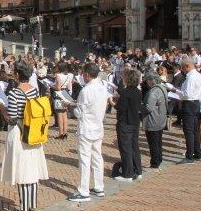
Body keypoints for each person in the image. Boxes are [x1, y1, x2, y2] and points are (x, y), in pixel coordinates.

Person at [0, 60, 49, 211]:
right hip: (33, 132)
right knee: (32, 171)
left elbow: (12, 119)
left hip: (20, 134)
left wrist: (2, 109)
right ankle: (31, 209)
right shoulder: (34, 90)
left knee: (22, 171)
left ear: (17, 74)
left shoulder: (15, 93)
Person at [68, 63, 110, 202]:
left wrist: (70, 107)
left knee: (85, 159)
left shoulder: (86, 90)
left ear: (87, 74)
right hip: (97, 125)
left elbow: (79, 112)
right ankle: (99, 186)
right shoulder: (103, 87)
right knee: (97, 156)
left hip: (87, 127)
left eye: (83, 74)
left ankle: (83, 191)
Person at [172, 57, 201, 164]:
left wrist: (175, 91)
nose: (182, 70)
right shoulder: (199, 75)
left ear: (187, 66)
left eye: (182, 67)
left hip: (189, 103)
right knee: (195, 130)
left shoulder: (191, 77)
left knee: (189, 130)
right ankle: (198, 153)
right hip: (196, 103)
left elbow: (187, 94)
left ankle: (189, 156)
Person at [113, 69, 143, 181]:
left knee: (125, 148)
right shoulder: (138, 91)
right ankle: (138, 171)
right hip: (135, 122)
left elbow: (120, 107)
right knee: (134, 146)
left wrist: (112, 102)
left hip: (125, 122)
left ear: (128, 79)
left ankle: (128, 174)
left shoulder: (125, 92)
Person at [142, 70, 168, 169]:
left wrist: (139, 107)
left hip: (153, 120)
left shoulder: (153, 91)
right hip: (160, 118)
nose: (147, 83)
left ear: (151, 80)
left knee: (153, 142)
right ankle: (159, 159)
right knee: (158, 142)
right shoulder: (162, 88)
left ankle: (155, 162)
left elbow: (148, 107)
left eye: (147, 80)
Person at [53, 62, 73, 140]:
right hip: (65, 93)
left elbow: (58, 88)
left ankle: (60, 133)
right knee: (64, 114)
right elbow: (68, 85)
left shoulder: (58, 75)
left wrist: (52, 86)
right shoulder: (68, 75)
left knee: (59, 114)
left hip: (59, 94)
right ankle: (65, 133)